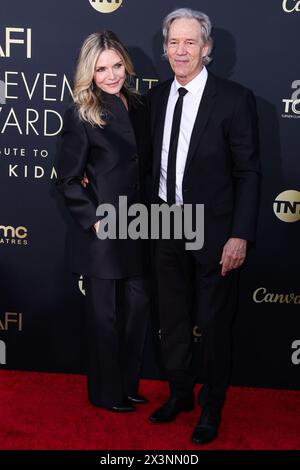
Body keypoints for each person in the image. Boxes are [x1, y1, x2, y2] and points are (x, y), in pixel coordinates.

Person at [146, 8, 260, 444]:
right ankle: (180, 394)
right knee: (172, 319)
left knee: (213, 326)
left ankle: (211, 406)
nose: (180, 51)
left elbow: (249, 173)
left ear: (207, 49)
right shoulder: (157, 97)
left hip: (214, 232)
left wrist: (240, 234)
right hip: (163, 222)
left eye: (190, 42)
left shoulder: (234, 99)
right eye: (174, 42)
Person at [56, 31, 150, 412]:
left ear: (125, 63)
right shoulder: (82, 112)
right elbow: (66, 179)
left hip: (144, 224)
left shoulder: (140, 105)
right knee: (105, 317)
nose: (111, 76)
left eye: (116, 66)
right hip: (106, 230)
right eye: (101, 69)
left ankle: (127, 386)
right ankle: (105, 393)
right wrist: (95, 222)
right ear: (89, 72)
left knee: (137, 312)